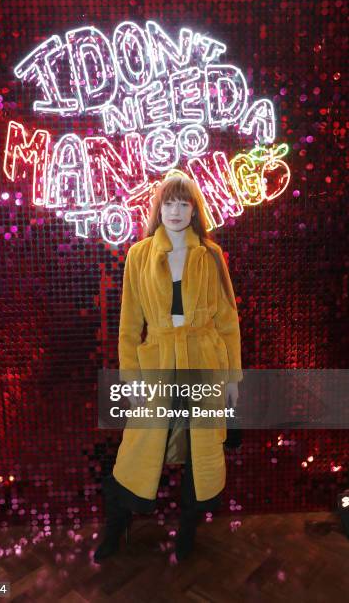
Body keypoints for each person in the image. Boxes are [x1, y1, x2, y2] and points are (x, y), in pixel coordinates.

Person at [94, 170, 243, 562]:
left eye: (183, 203)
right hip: (156, 366)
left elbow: (228, 321)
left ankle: (188, 533)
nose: (175, 210)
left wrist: (232, 380)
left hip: (204, 364)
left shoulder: (211, 254)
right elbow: (128, 326)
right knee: (137, 451)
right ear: (158, 207)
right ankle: (115, 527)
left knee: (201, 452)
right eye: (169, 202)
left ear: (194, 209)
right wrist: (131, 381)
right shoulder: (138, 255)